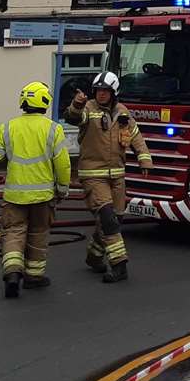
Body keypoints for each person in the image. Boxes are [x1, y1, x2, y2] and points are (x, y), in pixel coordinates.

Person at [0, 81, 72, 298]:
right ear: (45, 101)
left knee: (13, 233)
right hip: (43, 196)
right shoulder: (53, 129)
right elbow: (63, 164)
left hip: (14, 195)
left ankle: (12, 273)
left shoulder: (8, 127)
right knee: (38, 233)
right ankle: (34, 277)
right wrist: (62, 189)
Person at [64, 71, 151, 283]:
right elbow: (72, 117)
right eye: (98, 91)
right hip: (93, 175)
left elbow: (135, 135)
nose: (101, 94)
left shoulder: (122, 111)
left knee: (116, 218)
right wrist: (76, 104)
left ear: (114, 92)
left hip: (117, 175)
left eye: (106, 91)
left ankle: (94, 257)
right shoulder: (88, 109)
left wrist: (144, 158)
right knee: (108, 219)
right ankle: (119, 265)